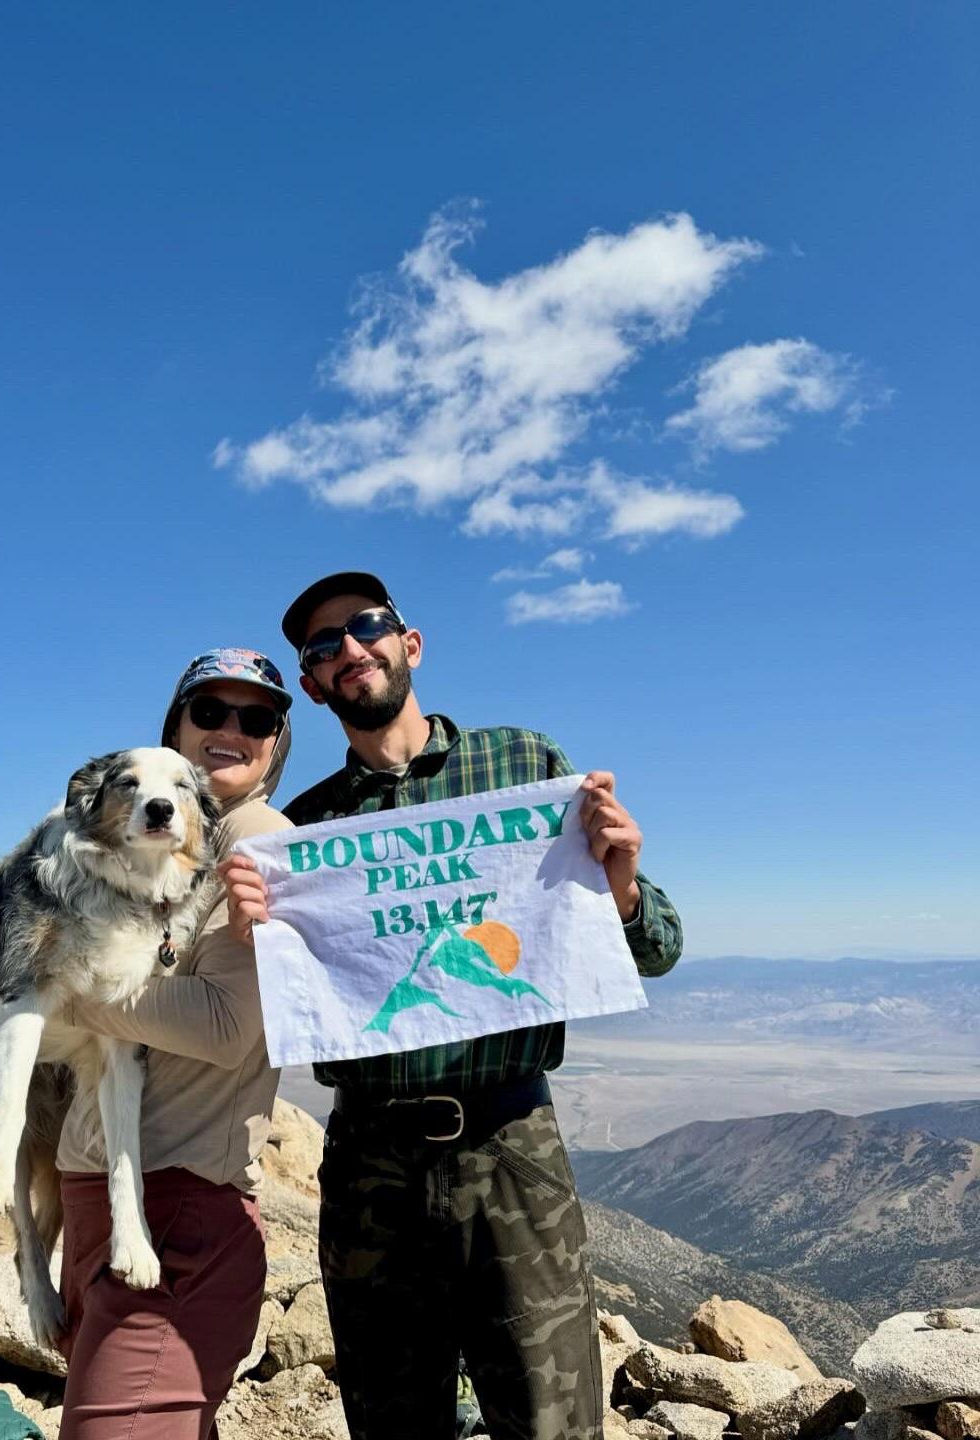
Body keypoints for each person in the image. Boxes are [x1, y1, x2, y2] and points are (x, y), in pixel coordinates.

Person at [221, 572, 684, 1440]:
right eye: (323, 646)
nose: (349, 648)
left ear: (410, 643)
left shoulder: (523, 765)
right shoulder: (303, 831)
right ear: (314, 687)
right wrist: (256, 937)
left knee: (552, 1421)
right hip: (370, 1162)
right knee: (392, 1422)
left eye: (366, 626)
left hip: (510, 1142)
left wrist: (621, 890)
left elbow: (659, 950)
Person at [52, 647, 294, 1440]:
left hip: (180, 1201)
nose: (231, 730)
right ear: (175, 730)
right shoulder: (148, 851)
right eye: (209, 711)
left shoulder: (256, 836)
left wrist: (70, 988)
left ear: (277, 744)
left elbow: (223, 1027)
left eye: (257, 718)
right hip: (105, 1191)